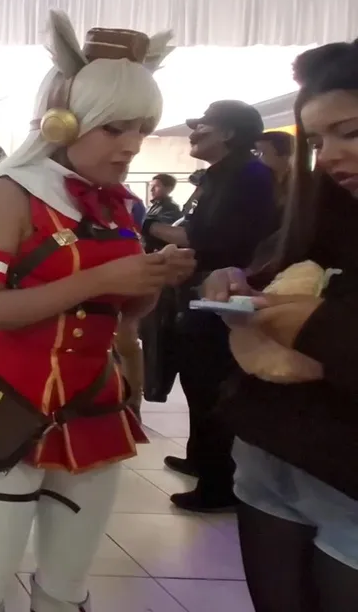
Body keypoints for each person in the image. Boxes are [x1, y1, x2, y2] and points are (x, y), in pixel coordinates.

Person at [0, 13, 195, 612]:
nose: (132, 144)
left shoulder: (117, 204)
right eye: (114, 128)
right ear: (63, 121)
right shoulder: (6, 193)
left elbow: (123, 315)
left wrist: (152, 281)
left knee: (67, 587)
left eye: (141, 128)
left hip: (92, 404)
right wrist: (103, 277)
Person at [205, 39, 358, 611]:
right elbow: (275, 275)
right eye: (317, 141)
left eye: (351, 132)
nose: (332, 156)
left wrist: (317, 326)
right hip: (273, 451)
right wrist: (233, 282)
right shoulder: (326, 204)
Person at [146, 99, 278, 512]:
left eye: (203, 125)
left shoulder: (249, 176)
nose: (194, 132)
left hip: (225, 299)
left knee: (214, 387)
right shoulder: (217, 176)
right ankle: (201, 459)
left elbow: (212, 238)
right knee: (196, 382)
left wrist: (151, 228)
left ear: (229, 133)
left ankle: (219, 483)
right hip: (200, 295)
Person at [140, 173, 186, 403]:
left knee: (157, 334)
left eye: (156, 186)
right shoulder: (154, 208)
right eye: (152, 186)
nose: (152, 190)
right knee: (148, 333)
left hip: (162, 274)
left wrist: (146, 226)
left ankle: (154, 388)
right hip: (150, 270)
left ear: (168, 188)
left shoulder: (169, 211)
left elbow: (173, 238)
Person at [256, 130, 295, 212]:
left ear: (285, 156)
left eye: (261, 153)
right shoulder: (258, 183)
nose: (257, 158)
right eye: (256, 153)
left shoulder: (301, 184)